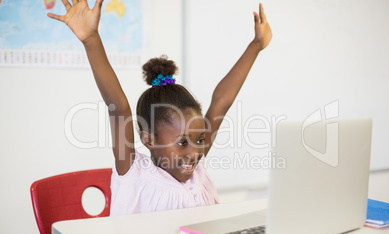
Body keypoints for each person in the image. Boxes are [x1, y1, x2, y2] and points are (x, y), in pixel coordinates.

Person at [48, 0, 272, 215]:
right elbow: (118, 107)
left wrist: (256, 45)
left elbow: (222, 101)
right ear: (149, 140)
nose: (195, 153)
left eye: (200, 140)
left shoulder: (195, 164)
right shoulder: (134, 172)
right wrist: (91, 40)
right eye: (182, 142)